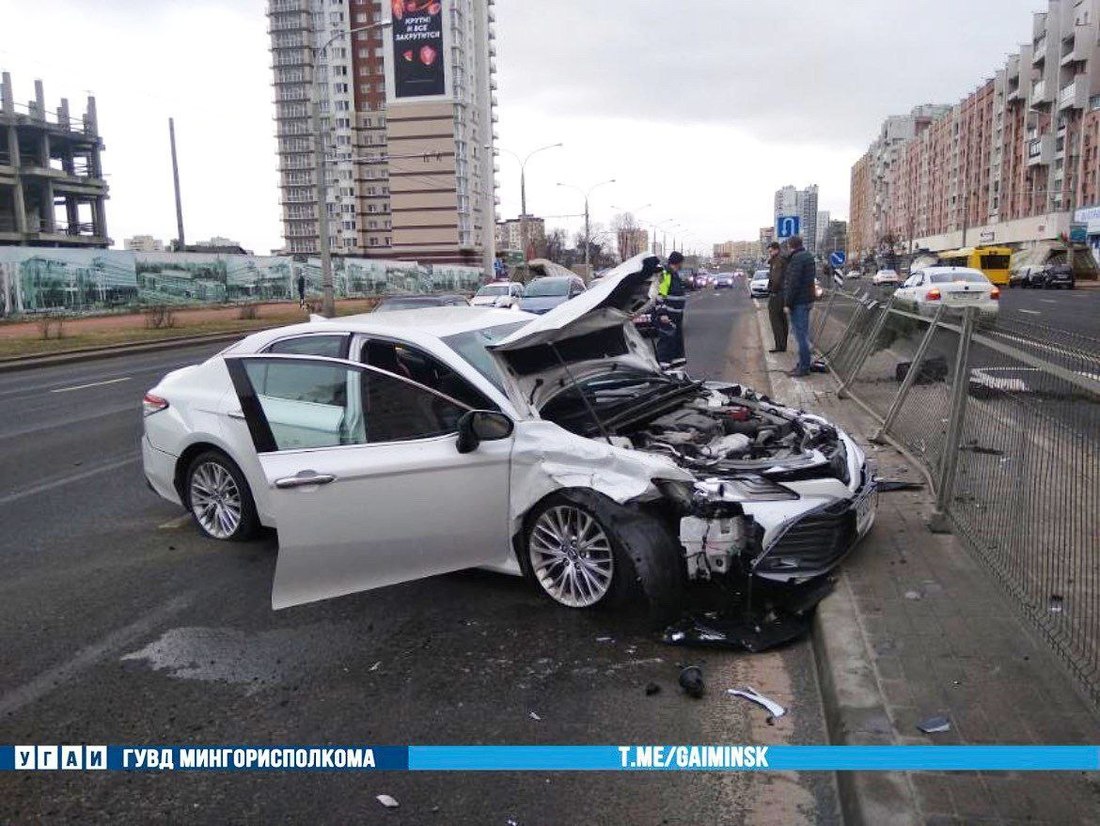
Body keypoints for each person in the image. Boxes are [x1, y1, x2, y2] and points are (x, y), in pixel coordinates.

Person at [784, 236, 817, 377]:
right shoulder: (808, 256)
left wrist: (787, 303)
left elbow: (793, 283)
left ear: (790, 246)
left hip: (798, 302)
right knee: (802, 334)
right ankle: (804, 363)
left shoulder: (797, 259)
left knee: (800, 336)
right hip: (807, 300)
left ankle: (804, 367)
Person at [658, 251, 688, 368]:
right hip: (668, 316)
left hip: (676, 316)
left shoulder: (674, 275)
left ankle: (677, 369)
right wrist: (662, 314)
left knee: (677, 343)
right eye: (681, 263)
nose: (682, 266)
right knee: (667, 342)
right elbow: (660, 296)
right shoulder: (665, 274)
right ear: (678, 262)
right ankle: (664, 370)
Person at [766, 241, 788, 353]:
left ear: (776, 249)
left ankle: (779, 345)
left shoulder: (778, 261)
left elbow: (776, 278)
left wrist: (772, 290)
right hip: (784, 293)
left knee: (776, 319)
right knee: (783, 320)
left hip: (778, 294)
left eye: (770, 251)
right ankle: (783, 344)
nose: (770, 253)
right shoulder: (782, 259)